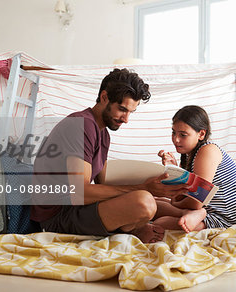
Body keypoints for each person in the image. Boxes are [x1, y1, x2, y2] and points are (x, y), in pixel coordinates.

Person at [30, 68, 187, 243]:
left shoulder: (102, 133)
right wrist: (143, 188)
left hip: (78, 207)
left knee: (152, 198)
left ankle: (192, 215)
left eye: (130, 112)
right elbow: (79, 192)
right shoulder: (81, 126)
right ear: (104, 97)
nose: (126, 119)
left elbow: (103, 183)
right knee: (144, 202)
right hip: (58, 216)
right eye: (122, 109)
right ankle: (134, 230)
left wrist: (155, 184)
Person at [154, 105, 236, 233]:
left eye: (183, 135)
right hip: (206, 210)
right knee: (155, 202)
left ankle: (199, 214)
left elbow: (196, 201)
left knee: (160, 223)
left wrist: (174, 203)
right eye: (173, 132)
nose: (176, 139)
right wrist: (174, 171)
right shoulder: (191, 155)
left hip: (227, 221)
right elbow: (184, 196)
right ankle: (195, 214)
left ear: (201, 134)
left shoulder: (207, 151)